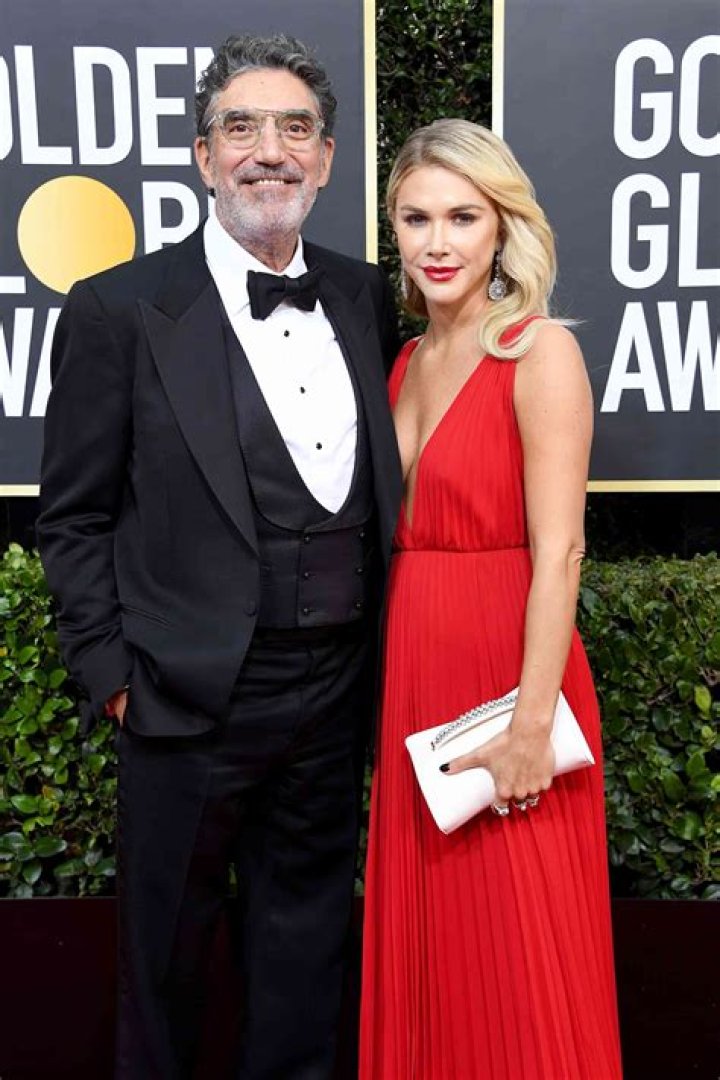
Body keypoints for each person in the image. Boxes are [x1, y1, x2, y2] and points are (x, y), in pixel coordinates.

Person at [37, 33, 401, 1079]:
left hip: (335, 693)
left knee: (306, 949)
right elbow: (73, 514)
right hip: (184, 695)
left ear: (326, 158)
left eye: (295, 129)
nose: (268, 151)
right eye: (241, 127)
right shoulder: (117, 307)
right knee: (164, 962)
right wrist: (113, 675)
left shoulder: (362, 296)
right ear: (204, 157)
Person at [359, 119, 623, 1079]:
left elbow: (561, 553)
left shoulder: (537, 352)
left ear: (503, 226)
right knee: (433, 950)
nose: (438, 242)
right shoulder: (402, 363)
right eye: (416, 218)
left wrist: (529, 725)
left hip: (510, 679)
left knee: (521, 951)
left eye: (463, 217)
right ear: (394, 229)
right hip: (414, 678)